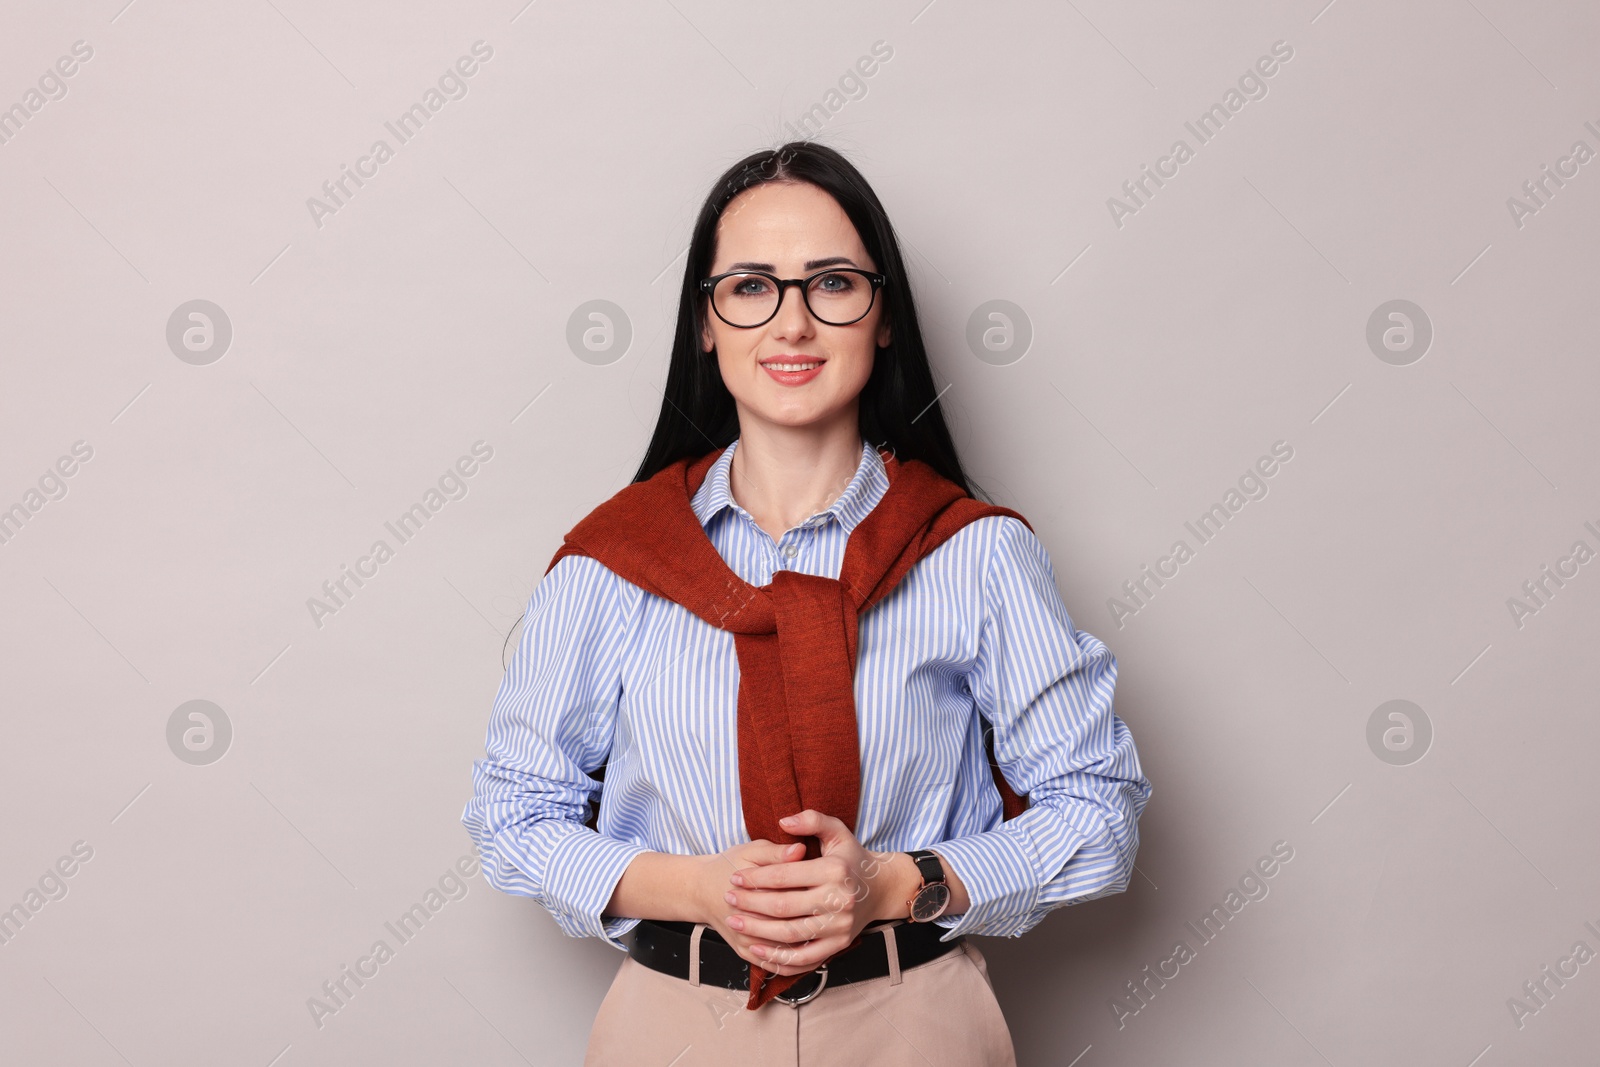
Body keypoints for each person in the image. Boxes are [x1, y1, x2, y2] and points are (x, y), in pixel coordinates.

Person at [461, 141, 1153, 1066]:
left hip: (916, 1021)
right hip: (675, 1024)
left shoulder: (977, 553)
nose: (791, 324)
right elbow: (513, 811)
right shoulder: (613, 564)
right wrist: (697, 889)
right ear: (705, 323)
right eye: (750, 287)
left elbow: (1099, 808)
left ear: (885, 317)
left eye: (831, 283)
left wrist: (894, 883)